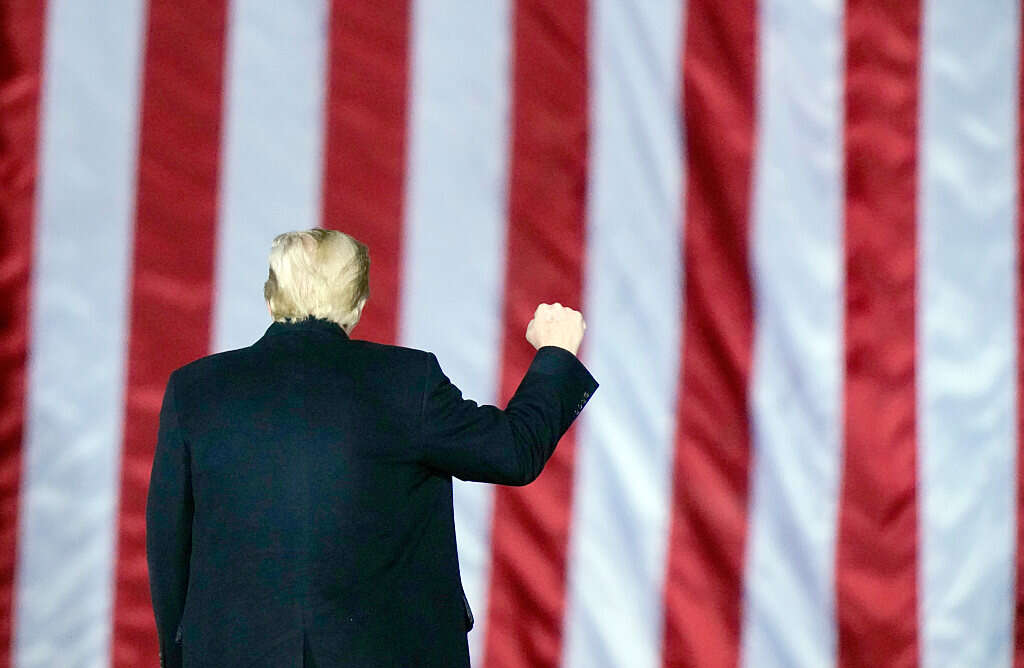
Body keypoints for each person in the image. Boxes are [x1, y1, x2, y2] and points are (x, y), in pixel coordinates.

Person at [145, 228, 598, 667]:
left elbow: (169, 542)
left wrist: (179, 657)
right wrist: (555, 353)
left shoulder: (195, 390)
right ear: (357, 305)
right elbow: (514, 452)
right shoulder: (407, 383)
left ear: (270, 299)